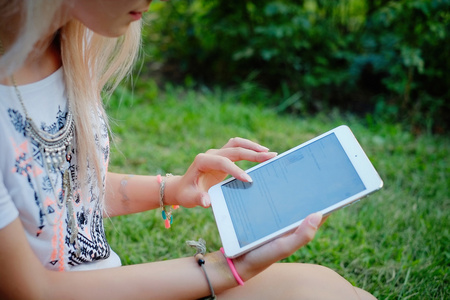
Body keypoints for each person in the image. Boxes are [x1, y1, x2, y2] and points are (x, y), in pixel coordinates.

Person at [0, 1, 376, 299]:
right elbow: (32, 291)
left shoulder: (69, 42)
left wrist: (173, 189)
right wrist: (227, 269)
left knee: (330, 287)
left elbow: (61, 192)